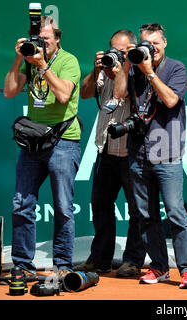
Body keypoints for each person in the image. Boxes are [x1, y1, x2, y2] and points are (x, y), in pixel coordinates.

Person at [113, 23, 187, 289]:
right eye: (146, 43)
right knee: (145, 215)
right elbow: (118, 94)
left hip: (167, 152)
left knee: (175, 213)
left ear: (165, 42)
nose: (151, 48)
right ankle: (159, 266)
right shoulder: (135, 66)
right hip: (138, 152)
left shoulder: (176, 68)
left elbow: (171, 100)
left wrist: (149, 73)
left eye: (155, 43)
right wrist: (127, 65)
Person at [4, 15, 81, 277]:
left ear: (57, 39)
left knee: (62, 207)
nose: (41, 44)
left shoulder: (68, 61)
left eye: (46, 40)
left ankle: (63, 265)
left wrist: (43, 65)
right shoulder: (29, 60)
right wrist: (19, 59)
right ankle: (23, 265)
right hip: (33, 143)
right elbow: (9, 91)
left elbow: (62, 95)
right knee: (21, 203)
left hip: (63, 141)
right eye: (37, 39)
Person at [75, 29, 146, 277]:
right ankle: (100, 258)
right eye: (113, 49)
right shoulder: (104, 71)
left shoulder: (138, 72)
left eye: (123, 51)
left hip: (131, 151)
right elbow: (84, 93)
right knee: (101, 206)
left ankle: (133, 260)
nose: (116, 55)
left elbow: (124, 94)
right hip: (106, 149)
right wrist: (97, 71)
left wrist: (120, 71)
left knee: (137, 210)